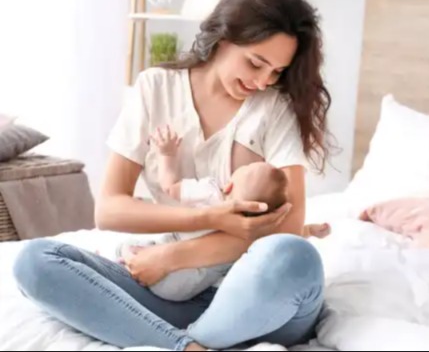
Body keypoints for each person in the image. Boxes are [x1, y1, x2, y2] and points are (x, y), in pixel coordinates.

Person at [13, 0, 332, 351]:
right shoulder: (155, 88)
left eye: (277, 71)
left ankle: (170, 338)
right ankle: (190, 346)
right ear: (225, 36)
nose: (263, 81)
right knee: (36, 261)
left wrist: (173, 256)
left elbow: (288, 229)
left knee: (293, 257)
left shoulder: (274, 109)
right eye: (256, 63)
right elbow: (111, 210)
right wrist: (207, 219)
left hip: (254, 299)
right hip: (165, 294)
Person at [116, 125, 331, 302]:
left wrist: (167, 154)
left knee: (127, 247)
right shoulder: (259, 228)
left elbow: (170, 186)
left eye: (245, 169)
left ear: (228, 186)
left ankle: (123, 260)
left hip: (172, 264)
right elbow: (284, 238)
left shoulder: (211, 192)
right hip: (191, 286)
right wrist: (311, 229)